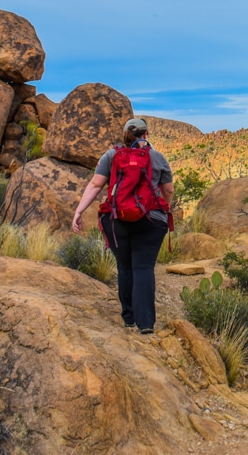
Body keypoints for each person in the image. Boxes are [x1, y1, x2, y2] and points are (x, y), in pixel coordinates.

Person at [72, 118, 174, 334]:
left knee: (125, 267)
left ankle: (128, 318)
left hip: (117, 220)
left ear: (125, 134)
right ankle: (145, 323)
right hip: (151, 220)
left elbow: (95, 185)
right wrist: (165, 209)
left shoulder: (111, 156)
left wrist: (79, 211)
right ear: (146, 134)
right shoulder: (158, 157)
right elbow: (169, 190)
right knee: (144, 267)